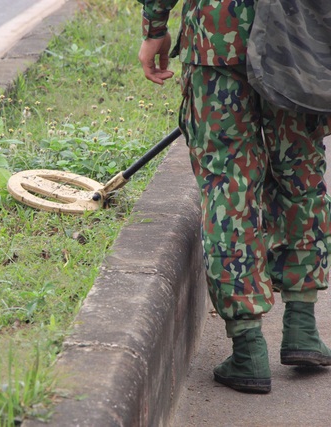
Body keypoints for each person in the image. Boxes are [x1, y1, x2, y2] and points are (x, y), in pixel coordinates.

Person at [136, 0, 331, 393]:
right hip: (296, 40)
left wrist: (155, 29)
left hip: (217, 40)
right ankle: (302, 327)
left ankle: (248, 348)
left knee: (228, 186)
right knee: (301, 175)